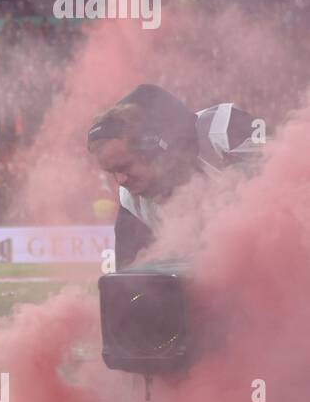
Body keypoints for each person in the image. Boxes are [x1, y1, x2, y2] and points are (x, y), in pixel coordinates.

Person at [87, 84, 261, 270]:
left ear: (152, 148)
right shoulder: (131, 201)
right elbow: (130, 282)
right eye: (112, 172)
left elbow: (282, 196)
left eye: (124, 167)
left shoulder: (224, 130)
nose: (120, 180)